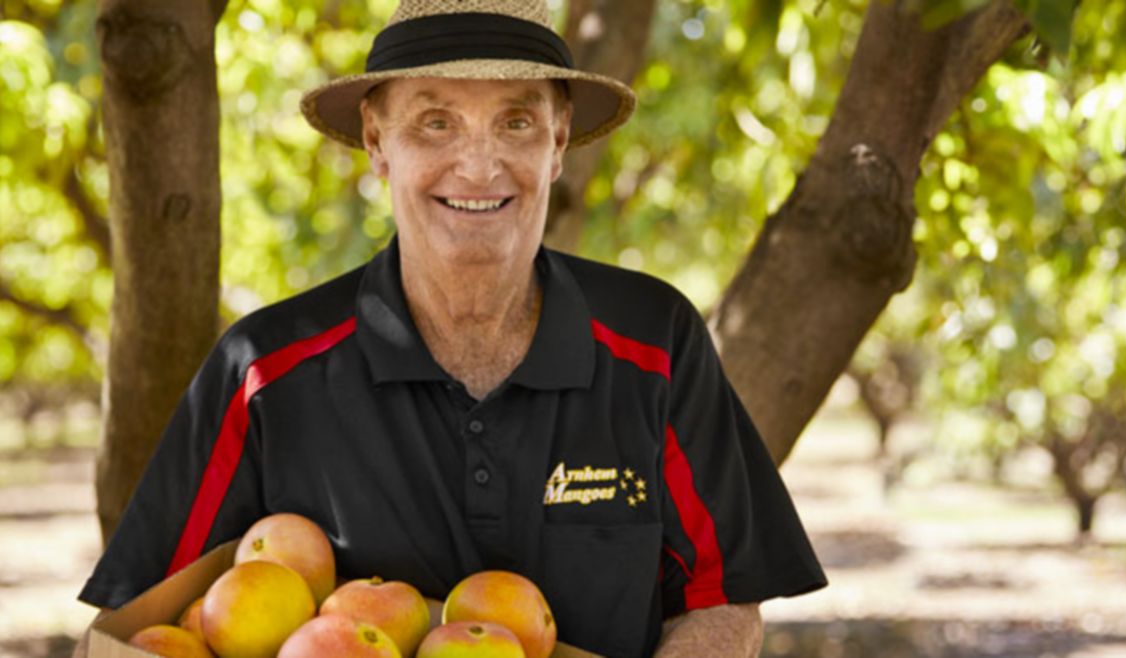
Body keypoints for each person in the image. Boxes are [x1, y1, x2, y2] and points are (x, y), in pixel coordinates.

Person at [77, 1, 826, 656]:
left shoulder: (655, 342)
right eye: (436, 122)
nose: (478, 164)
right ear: (377, 141)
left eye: (517, 121)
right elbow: (142, 630)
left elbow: (722, 601)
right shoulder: (265, 372)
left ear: (559, 142)